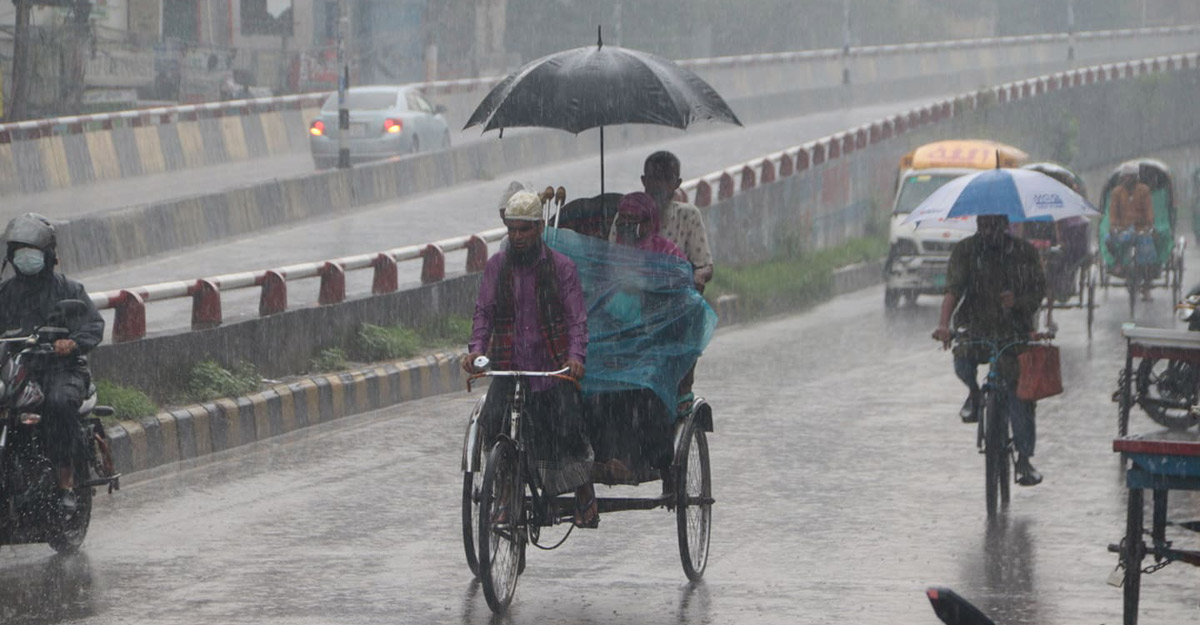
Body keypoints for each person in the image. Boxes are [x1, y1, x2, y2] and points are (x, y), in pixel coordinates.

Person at [463, 191, 598, 527]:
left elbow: (576, 320)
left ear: (539, 227)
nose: (518, 237)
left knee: (567, 426)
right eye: (512, 230)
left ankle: (583, 490)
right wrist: (476, 350)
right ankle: (506, 492)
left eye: (525, 229)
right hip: (509, 365)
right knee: (493, 424)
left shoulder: (561, 268)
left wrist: (575, 357)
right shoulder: (497, 267)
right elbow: (484, 312)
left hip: (551, 368)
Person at [932, 214, 1046, 486]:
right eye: (984, 226)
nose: (989, 232)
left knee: (1020, 395)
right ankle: (974, 394)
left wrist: (1017, 302)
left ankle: (1024, 459)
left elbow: (1038, 292)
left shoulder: (1024, 253)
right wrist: (943, 325)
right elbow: (953, 291)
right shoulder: (965, 251)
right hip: (975, 328)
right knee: (962, 363)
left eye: (994, 226)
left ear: (1005, 225)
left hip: (1013, 332)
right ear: (978, 226)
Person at [0, 214, 104, 512]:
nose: (26, 258)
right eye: (20, 252)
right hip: (16, 370)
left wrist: (72, 343)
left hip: (62, 371)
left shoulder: (69, 290)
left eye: (31, 252)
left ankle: (64, 484)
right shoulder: (5, 294)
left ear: (47, 255)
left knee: (57, 404)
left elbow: (93, 325)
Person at [612, 151, 714, 416]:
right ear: (643, 180)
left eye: (665, 179)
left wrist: (694, 279)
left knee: (689, 313)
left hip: (674, 299)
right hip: (631, 296)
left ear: (676, 183)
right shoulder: (628, 214)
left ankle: (677, 387)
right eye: (653, 179)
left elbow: (704, 263)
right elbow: (610, 259)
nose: (657, 186)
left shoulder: (687, 216)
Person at [1108, 164, 1156, 300]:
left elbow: (1149, 210)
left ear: (1135, 178)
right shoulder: (1117, 192)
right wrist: (1113, 226)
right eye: (1125, 177)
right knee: (1108, 240)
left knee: (1147, 255)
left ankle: (1146, 288)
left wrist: (1149, 224)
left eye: (1129, 177)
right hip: (1123, 228)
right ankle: (1118, 262)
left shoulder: (1144, 190)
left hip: (1141, 228)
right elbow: (1113, 211)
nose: (1126, 179)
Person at [614, 192, 686, 259]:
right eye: (623, 217)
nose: (626, 223)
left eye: (633, 218)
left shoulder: (668, 251)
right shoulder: (612, 250)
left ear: (649, 223)